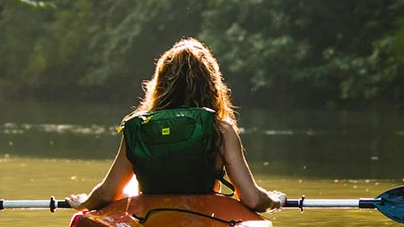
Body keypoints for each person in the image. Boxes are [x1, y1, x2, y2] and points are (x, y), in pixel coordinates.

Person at [66, 38, 285, 213]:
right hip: (204, 219)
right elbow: (253, 199)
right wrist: (274, 199)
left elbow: (107, 194)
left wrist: (85, 202)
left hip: (150, 219)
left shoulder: (139, 128)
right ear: (211, 85)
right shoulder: (221, 130)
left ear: (160, 83)